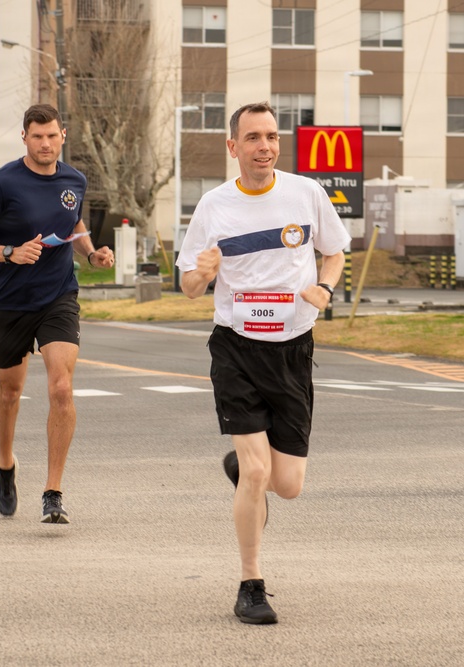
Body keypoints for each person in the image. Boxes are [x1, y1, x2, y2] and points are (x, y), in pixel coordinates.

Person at [176, 102, 350, 625]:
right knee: (256, 472)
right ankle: (251, 584)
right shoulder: (213, 206)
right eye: (252, 137)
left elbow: (336, 251)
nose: (265, 146)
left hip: (294, 349)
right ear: (233, 147)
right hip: (237, 348)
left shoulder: (305, 193)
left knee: (288, 485)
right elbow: (188, 287)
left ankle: (245, 473)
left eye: (271, 136)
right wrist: (203, 272)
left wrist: (323, 286)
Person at [0, 103, 115, 524]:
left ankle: (53, 491)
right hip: (9, 302)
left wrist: (92, 251)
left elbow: (74, 224)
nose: (45, 143)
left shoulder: (74, 180)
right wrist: (8, 252)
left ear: (63, 134)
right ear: (24, 137)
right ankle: (5, 465)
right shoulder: (0, 184)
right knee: (10, 392)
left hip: (58, 296)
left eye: (52, 135)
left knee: (61, 388)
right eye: (37, 136)